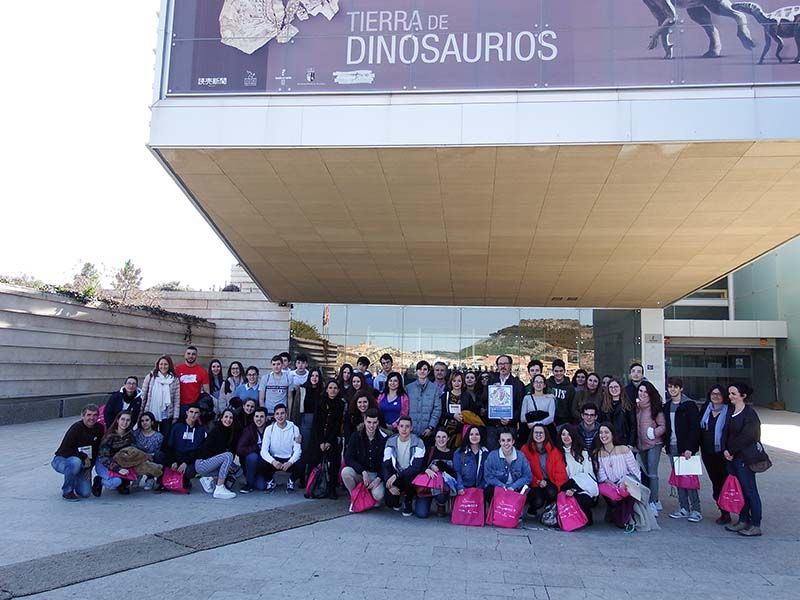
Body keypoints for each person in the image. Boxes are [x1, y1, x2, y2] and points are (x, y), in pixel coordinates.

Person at [723, 382, 764, 537]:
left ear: (743, 396)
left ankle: (755, 524)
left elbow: (747, 436)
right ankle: (743, 519)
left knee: (750, 490)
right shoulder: (732, 411)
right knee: (740, 490)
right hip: (732, 457)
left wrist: (731, 450)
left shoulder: (749, 414)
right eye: (730, 393)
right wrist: (726, 450)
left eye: (734, 393)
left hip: (744, 458)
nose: (730, 396)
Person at [663, 377, 702, 522]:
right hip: (672, 447)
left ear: (681, 388)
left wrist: (690, 448)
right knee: (678, 479)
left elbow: (695, 428)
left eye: (675, 387)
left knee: (690, 480)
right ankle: (684, 507)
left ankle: (696, 510)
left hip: (685, 449)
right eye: (670, 386)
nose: (672, 389)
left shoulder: (689, 405)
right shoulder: (667, 406)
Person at [594, 423, 641, 532]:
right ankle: (620, 517)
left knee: (626, 493)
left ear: (612, 434)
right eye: (601, 432)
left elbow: (635, 471)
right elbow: (601, 475)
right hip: (611, 485)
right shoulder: (598, 453)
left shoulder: (624, 449)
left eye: (606, 432)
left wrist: (626, 483)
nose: (603, 435)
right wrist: (610, 483)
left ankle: (628, 519)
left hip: (627, 482)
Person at [52, 404, 103, 500]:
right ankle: (67, 491)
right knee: (75, 463)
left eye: (95, 415)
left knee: (85, 493)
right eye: (88, 415)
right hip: (63, 459)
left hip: (83, 463)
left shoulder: (99, 429)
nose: (91, 418)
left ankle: (74, 478)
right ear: (82, 416)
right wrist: (82, 456)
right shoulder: (76, 428)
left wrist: (89, 468)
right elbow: (65, 449)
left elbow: (96, 451)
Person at [382, 416, 426, 516]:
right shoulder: (390, 442)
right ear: (397, 427)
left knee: (410, 476)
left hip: (410, 476)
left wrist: (396, 475)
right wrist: (389, 484)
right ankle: (396, 497)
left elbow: (416, 467)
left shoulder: (418, 442)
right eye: (401, 426)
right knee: (389, 501)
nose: (404, 429)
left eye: (407, 426)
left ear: (411, 428)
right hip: (396, 474)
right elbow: (386, 464)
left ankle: (408, 500)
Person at [700, 384, 731, 524]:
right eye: (713, 394)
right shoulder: (706, 409)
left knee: (725, 482)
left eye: (718, 394)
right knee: (715, 483)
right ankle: (723, 511)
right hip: (707, 453)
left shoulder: (729, 410)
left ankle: (729, 510)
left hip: (723, 454)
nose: (715, 396)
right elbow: (699, 429)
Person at [343, 408, 387, 506]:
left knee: (378, 496)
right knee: (346, 472)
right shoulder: (356, 436)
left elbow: (386, 463)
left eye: (374, 422)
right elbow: (348, 457)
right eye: (369, 422)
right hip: (361, 473)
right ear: (364, 420)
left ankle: (369, 496)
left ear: (378, 422)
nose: (371, 426)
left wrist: (378, 479)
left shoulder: (384, 439)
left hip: (376, 475)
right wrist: (362, 471)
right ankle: (354, 496)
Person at [521, 424, 567, 517]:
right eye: (536, 432)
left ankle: (548, 509)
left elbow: (560, 472)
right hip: (532, 481)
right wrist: (537, 482)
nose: (538, 435)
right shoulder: (525, 449)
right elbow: (523, 471)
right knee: (538, 501)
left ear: (546, 434)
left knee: (552, 493)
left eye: (541, 432)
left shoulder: (554, 451)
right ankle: (532, 508)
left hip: (549, 481)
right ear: (532, 434)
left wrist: (560, 490)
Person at [481, 355, 526, 451]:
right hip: (493, 426)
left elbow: (521, 406)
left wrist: (511, 419)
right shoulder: (491, 382)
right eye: (500, 364)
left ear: (510, 366)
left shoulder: (518, 384)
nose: (503, 366)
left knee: (509, 454)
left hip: (510, 427)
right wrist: (492, 391)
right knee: (492, 454)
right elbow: (484, 401)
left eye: (505, 363)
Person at [635, 381, 666, 516]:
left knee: (652, 473)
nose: (642, 394)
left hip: (654, 444)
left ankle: (654, 501)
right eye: (640, 391)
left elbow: (663, 426)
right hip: (641, 445)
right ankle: (649, 499)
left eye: (645, 392)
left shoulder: (655, 408)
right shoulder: (637, 407)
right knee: (645, 473)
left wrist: (653, 433)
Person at [558, 424, 598, 524]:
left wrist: (574, 489)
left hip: (583, 487)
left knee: (583, 500)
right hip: (565, 487)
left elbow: (588, 475)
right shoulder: (558, 453)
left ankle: (585, 516)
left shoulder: (583, 453)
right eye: (563, 434)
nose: (566, 437)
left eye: (569, 434)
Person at [195, 408, 239, 499]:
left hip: (213, 462)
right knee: (228, 456)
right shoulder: (217, 431)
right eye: (226, 417)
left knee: (238, 469)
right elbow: (219, 452)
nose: (228, 419)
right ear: (221, 418)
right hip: (202, 463)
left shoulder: (230, 432)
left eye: (231, 418)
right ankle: (219, 488)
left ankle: (209, 479)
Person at [312, 379, 345, 499]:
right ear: (326, 390)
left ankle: (331, 489)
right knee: (316, 462)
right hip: (319, 438)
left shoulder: (341, 404)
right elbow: (316, 423)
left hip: (332, 439)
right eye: (330, 388)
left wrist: (329, 442)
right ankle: (315, 486)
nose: (332, 390)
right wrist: (321, 441)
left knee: (334, 464)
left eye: (335, 388)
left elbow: (337, 425)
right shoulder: (320, 402)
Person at [484, 428, 532, 508]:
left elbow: (527, 476)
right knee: (488, 491)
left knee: (530, 492)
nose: (506, 443)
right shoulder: (492, 456)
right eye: (503, 440)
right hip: (500, 488)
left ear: (513, 441)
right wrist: (502, 486)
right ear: (499, 442)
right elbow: (488, 476)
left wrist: (513, 487)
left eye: (509, 440)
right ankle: (496, 509)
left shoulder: (521, 456)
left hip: (516, 488)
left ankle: (516, 511)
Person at [260, 403, 302, 492]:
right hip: (275, 459)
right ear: (274, 416)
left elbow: (297, 450)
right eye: (277, 414)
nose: (280, 416)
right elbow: (263, 451)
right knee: (261, 462)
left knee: (302, 462)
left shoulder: (294, 428)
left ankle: (291, 481)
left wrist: (290, 462)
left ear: (286, 414)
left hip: (288, 459)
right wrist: (273, 461)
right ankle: (270, 481)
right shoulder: (269, 429)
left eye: (282, 413)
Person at [414, 429, 456, 518]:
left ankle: (441, 504)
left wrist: (441, 467)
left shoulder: (453, 453)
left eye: (444, 437)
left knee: (442, 492)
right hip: (427, 487)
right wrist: (427, 469)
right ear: (435, 439)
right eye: (438, 437)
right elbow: (418, 466)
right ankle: (425, 500)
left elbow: (454, 473)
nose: (441, 439)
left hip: (443, 488)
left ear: (448, 438)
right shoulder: (429, 451)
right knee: (421, 514)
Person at [93, 411, 136, 497]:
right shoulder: (109, 436)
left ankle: (123, 483)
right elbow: (103, 457)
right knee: (114, 482)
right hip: (104, 463)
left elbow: (133, 451)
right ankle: (99, 480)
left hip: (121, 462)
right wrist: (118, 469)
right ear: (117, 420)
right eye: (122, 419)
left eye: (128, 420)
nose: (125, 422)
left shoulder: (130, 435)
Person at [165, 404, 206, 489]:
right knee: (160, 456)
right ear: (187, 413)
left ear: (199, 415)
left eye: (196, 413)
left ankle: (185, 480)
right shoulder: (177, 427)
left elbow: (199, 450)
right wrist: (173, 461)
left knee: (190, 471)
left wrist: (186, 463)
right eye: (191, 412)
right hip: (175, 457)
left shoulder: (200, 431)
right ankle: (162, 481)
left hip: (189, 459)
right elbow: (169, 445)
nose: (193, 414)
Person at [439, 371, 481, 448]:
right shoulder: (445, 396)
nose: (456, 383)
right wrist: (453, 415)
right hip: (448, 430)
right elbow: (441, 412)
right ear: (451, 382)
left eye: (459, 381)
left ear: (462, 382)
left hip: (463, 430)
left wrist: (465, 416)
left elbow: (473, 412)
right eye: (454, 381)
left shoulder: (467, 396)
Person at [141, 355, 180, 437]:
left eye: (165, 364)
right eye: (161, 364)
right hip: (151, 413)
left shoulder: (174, 379)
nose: (163, 366)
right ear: (158, 365)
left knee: (165, 436)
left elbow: (176, 399)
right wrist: (141, 412)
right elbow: (143, 395)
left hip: (166, 414)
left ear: (169, 365)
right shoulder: (151, 377)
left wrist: (175, 416)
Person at [406, 361, 441, 447]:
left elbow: (437, 409)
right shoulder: (408, 388)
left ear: (428, 371)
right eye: (420, 369)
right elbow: (404, 408)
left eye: (425, 369)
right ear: (416, 371)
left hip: (427, 432)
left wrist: (431, 427)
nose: (422, 371)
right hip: (411, 431)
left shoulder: (434, 388)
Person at [297, 368, 324, 480]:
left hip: (319, 421)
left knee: (316, 449)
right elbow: (297, 408)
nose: (314, 378)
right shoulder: (303, 389)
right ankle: (302, 477)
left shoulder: (323, 390)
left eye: (317, 376)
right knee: (305, 448)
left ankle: (312, 477)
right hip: (305, 420)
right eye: (312, 375)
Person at [236, 407, 269, 492]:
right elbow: (240, 449)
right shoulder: (249, 430)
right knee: (253, 457)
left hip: (264, 463)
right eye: (257, 416)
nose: (259, 419)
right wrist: (257, 447)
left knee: (262, 486)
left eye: (262, 417)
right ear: (253, 418)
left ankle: (265, 477)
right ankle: (249, 483)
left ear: (266, 418)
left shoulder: (270, 429)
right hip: (251, 462)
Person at [175, 346, 210, 419]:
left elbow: (207, 392)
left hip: (195, 407)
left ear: (196, 356)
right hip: (179, 406)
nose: (191, 356)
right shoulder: (177, 370)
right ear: (184, 355)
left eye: (193, 354)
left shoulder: (202, 372)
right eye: (188, 353)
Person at [599, 377, 636, 447]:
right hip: (608, 441)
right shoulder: (603, 404)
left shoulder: (628, 404)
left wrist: (631, 443)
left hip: (624, 441)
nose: (613, 389)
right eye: (611, 387)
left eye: (616, 387)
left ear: (621, 388)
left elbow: (633, 425)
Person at [453, 425, 489, 495]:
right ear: (467, 436)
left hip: (480, 489)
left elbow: (487, 475)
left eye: (477, 434)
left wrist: (480, 489)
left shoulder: (486, 453)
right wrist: (460, 487)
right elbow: (457, 472)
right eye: (471, 434)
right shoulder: (459, 452)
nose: (474, 437)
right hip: (463, 489)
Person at [134, 411, 165, 490]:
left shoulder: (159, 436)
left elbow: (159, 451)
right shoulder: (136, 434)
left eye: (147, 420)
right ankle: (137, 476)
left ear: (152, 422)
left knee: (159, 455)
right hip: (138, 458)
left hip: (152, 459)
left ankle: (150, 478)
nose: (144, 423)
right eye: (142, 421)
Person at [520, 373, 556, 439]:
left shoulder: (550, 399)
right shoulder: (527, 398)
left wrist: (537, 423)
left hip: (546, 431)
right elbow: (522, 418)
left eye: (541, 382)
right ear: (533, 384)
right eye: (536, 382)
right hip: (529, 431)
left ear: (544, 385)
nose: (538, 384)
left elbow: (551, 418)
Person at [546, 359, 575, 426]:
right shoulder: (547, 384)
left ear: (564, 371)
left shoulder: (570, 387)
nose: (559, 373)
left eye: (561, 371)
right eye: (556, 371)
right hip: (548, 420)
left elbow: (571, 406)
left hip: (564, 421)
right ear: (552, 371)